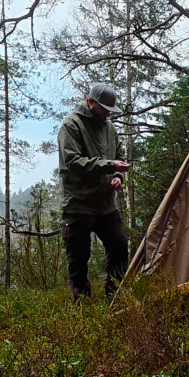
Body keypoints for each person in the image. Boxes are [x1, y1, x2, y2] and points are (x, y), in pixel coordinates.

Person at [58, 84, 131, 301]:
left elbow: (120, 156)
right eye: (104, 109)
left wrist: (118, 177)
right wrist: (110, 166)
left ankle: (114, 297)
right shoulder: (71, 126)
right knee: (79, 260)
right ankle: (82, 307)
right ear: (91, 103)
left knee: (119, 247)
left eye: (110, 110)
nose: (108, 113)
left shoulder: (110, 128)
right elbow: (72, 162)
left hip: (105, 205)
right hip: (78, 205)